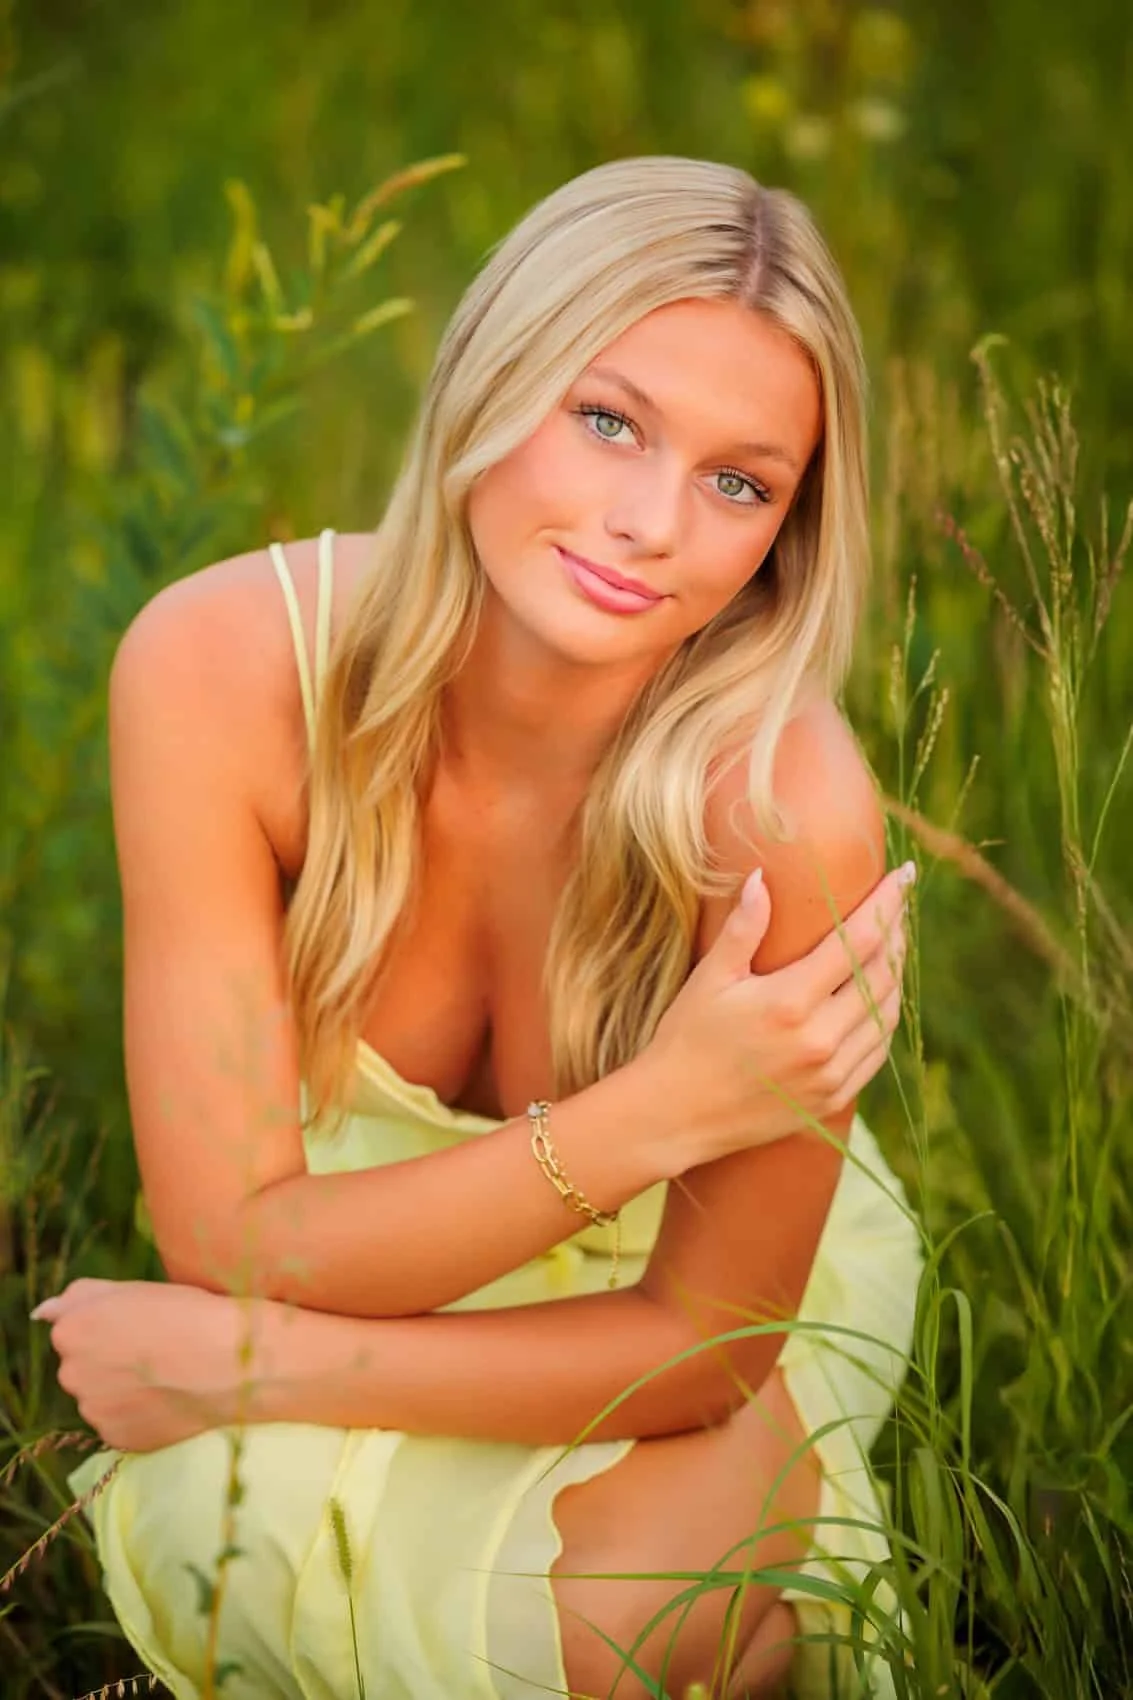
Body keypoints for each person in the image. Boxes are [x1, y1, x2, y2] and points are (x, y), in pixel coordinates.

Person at [38, 156, 924, 1700]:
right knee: (211, 1544)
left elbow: (705, 1347)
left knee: (633, 1620)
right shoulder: (219, 668)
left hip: (658, 1334)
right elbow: (232, 1236)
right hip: (365, 1246)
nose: (649, 523)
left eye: (738, 482)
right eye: (608, 419)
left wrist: (256, 1361)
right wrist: (659, 1106)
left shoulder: (781, 809)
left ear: (784, 533)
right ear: (487, 374)